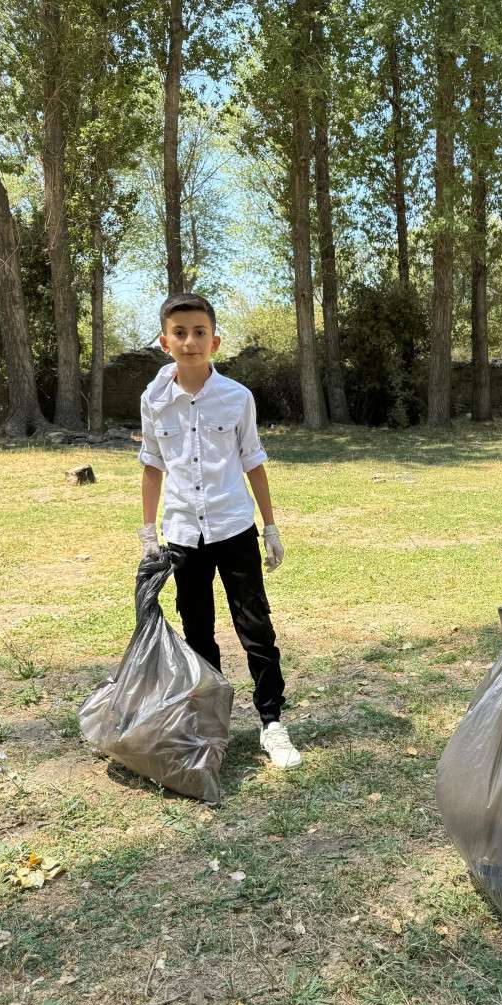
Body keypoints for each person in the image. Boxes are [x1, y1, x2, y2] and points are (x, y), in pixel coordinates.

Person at [137, 292, 300, 770]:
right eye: (180, 333)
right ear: (165, 342)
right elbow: (151, 466)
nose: (191, 341)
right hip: (184, 536)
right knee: (198, 632)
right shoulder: (154, 401)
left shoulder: (236, 397)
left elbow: (253, 461)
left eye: (200, 332)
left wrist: (270, 526)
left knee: (256, 629)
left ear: (216, 340)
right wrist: (149, 532)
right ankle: (210, 728)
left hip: (233, 529)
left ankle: (272, 722)